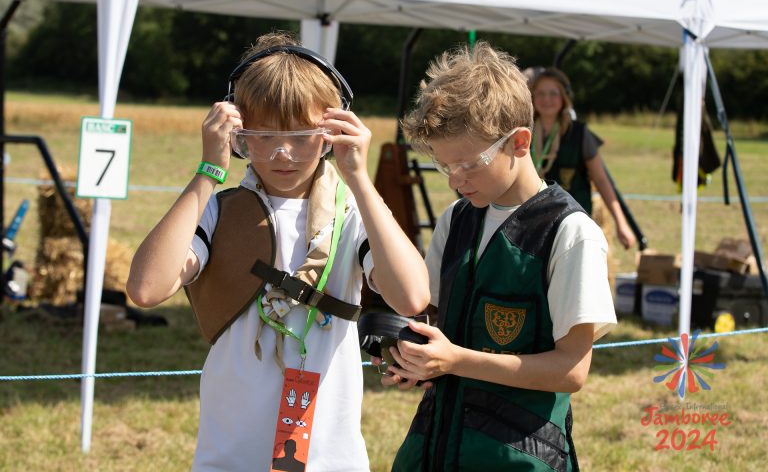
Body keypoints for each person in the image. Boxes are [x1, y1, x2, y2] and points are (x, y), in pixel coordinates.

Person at [126, 32, 429, 471]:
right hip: (231, 454)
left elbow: (411, 296)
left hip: (328, 455)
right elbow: (146, 288)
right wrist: (208, 171)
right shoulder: (218, 210)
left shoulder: (351, 211)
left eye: (302, 135)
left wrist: (360, 179)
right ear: (237, 134)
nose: (283, 153)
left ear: (332, 133)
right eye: (263, 135)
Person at [381, 42, 617, 471]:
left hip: (515, 458)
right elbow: (435, 320)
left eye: (468, 164)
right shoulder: (456, 218)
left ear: (519, 142)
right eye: (444, 165)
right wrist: (412, 357)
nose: (455, 180)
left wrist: (456, 360)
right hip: (434, 447)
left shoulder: (570, 233)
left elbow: (571, 370)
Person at [529, 68, 636, 249]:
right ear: (532, 97)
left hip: (571, 222)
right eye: (541, 93)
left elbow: (601, 179)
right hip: (533, 221)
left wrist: (621, 223)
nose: (547, 99)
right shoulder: (524, 132)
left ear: (564, 98)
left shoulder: (579, 133)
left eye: (553, 93)